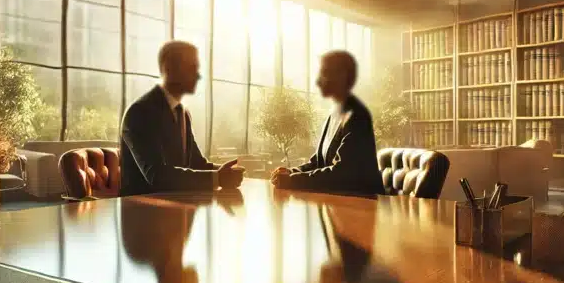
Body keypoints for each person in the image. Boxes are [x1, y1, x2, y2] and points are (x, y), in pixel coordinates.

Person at [120, 41, 244, 196]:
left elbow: (196, 163)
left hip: (176, 209)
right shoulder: (140, 112)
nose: (198, 75)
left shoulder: (182, 113)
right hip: (143, 213)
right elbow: (156, 176)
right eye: (192, 68)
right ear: (168, 69)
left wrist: (226, 172)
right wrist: (217, 178)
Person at [271, 50, 384, 196]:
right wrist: (291, 172)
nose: (318, 81)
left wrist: (292, 180)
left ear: (341, 77)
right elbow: (318, 162)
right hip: (337, 205)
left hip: (360, 207)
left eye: (324, 74)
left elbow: (341, 173)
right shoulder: (334, 114)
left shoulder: (357, 116)